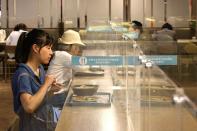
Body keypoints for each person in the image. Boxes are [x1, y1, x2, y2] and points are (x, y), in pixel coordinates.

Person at [11, 29, 62, 131]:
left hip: (42, 124)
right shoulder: (23, 74)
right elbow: (29, 106)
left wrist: (50, 89)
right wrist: (46, 84)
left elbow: (39, 97)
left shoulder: (40, 69)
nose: (51, 52)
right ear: (35, 48)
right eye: (48, 48)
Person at [47, 30, 85, 108]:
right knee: (82, 103)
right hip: (56, 96)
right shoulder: (63, 55)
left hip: (55, 94)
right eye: (77, 47)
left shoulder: (60, 54)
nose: (78, 50)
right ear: (73, 47)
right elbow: (82, 67)